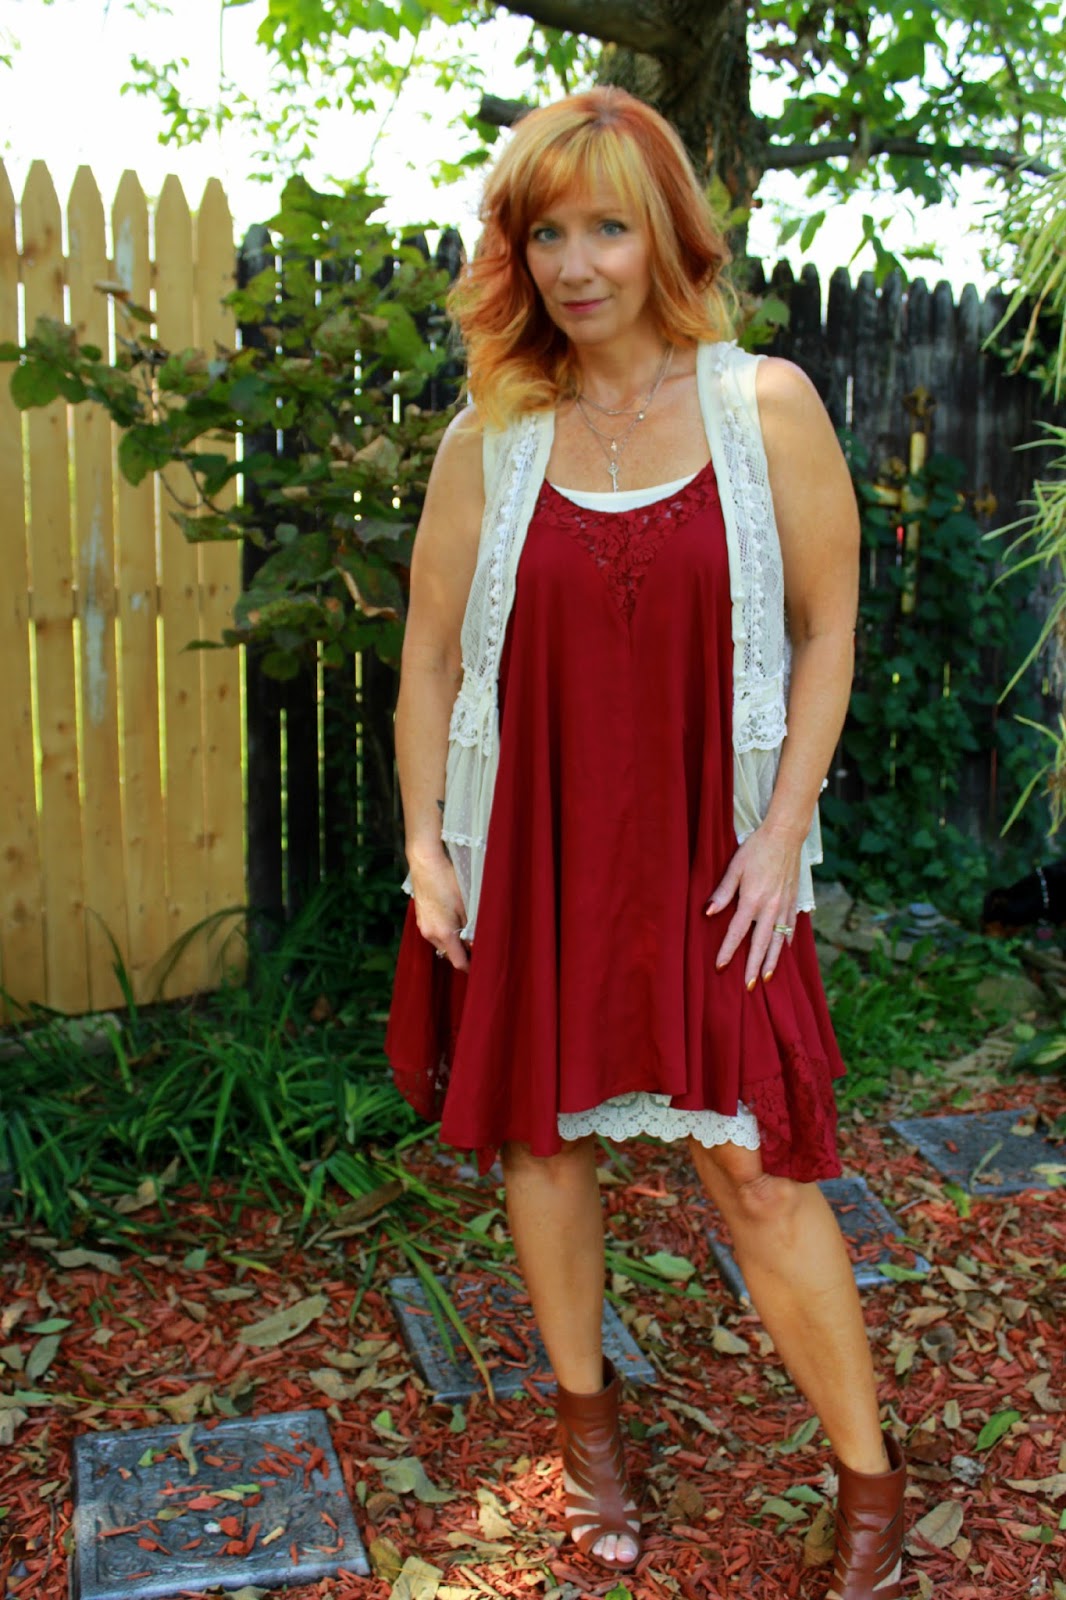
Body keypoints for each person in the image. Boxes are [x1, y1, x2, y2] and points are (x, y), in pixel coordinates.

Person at [384, 86, 905, 1599]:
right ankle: (589, 1436)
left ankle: (869, 1482)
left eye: (606, 226)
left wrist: (783, 831)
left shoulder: (765, 408)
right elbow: (429, 657)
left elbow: (829, 629)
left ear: (668, 233)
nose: (575, 264)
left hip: (716, 854)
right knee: (545, 1139)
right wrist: (426, 846)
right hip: (535, 846)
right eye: (545, 233)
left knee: (755, 1169)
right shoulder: (492, 435)